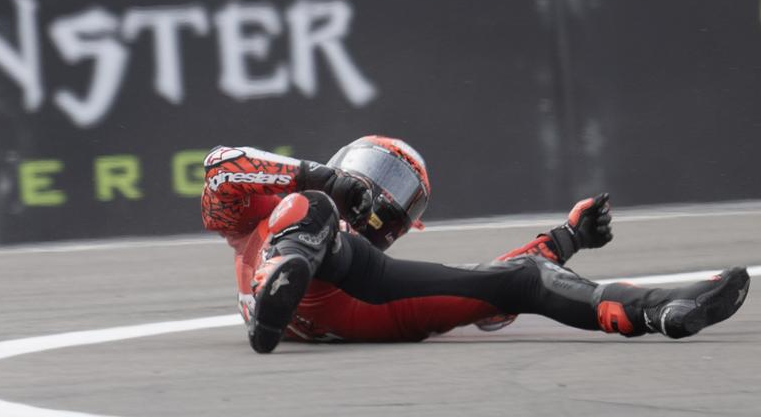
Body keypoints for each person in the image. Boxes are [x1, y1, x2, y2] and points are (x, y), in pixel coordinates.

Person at [200, 137, 750, 353]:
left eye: (401, 196)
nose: (385, 197)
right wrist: (320, 178)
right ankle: (279, 280)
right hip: (317, 266)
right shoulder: (256, 216)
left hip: (360, 295)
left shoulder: (359, 248)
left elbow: (494, 292)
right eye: (377, 175)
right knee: (310, 208)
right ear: (345, 165)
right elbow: (221, 167)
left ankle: (664, 311)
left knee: (521, 283)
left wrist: (567, 238)